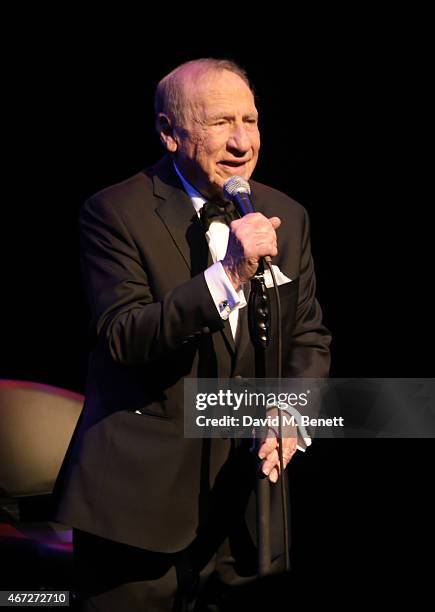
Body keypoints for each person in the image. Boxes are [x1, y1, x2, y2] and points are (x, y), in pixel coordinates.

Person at [53, 58, 331, 611]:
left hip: (248, 506)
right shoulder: (114, 212)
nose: (241, 141)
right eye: (220, 122)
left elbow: (308, 336)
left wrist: (294, 411)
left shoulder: (286, 215)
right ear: (169, 132)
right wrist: (226, 275)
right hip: (137, 508)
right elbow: (123, 336)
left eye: (250, 121)